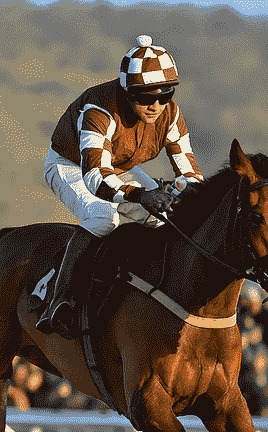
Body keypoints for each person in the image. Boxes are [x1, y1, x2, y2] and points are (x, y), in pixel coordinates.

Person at [37, 34, 205, 338]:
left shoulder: (171, 115)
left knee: (160, 219)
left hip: (119, 166)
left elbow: (188, 173)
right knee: (103, 218)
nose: (156, 106)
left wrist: (191, 197)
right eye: (145, 97)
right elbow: (95, 175)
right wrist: (142, 195)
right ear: (128, 93)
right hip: (71, 165)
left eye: (164, 95)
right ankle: (57, 300)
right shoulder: (99, 110)